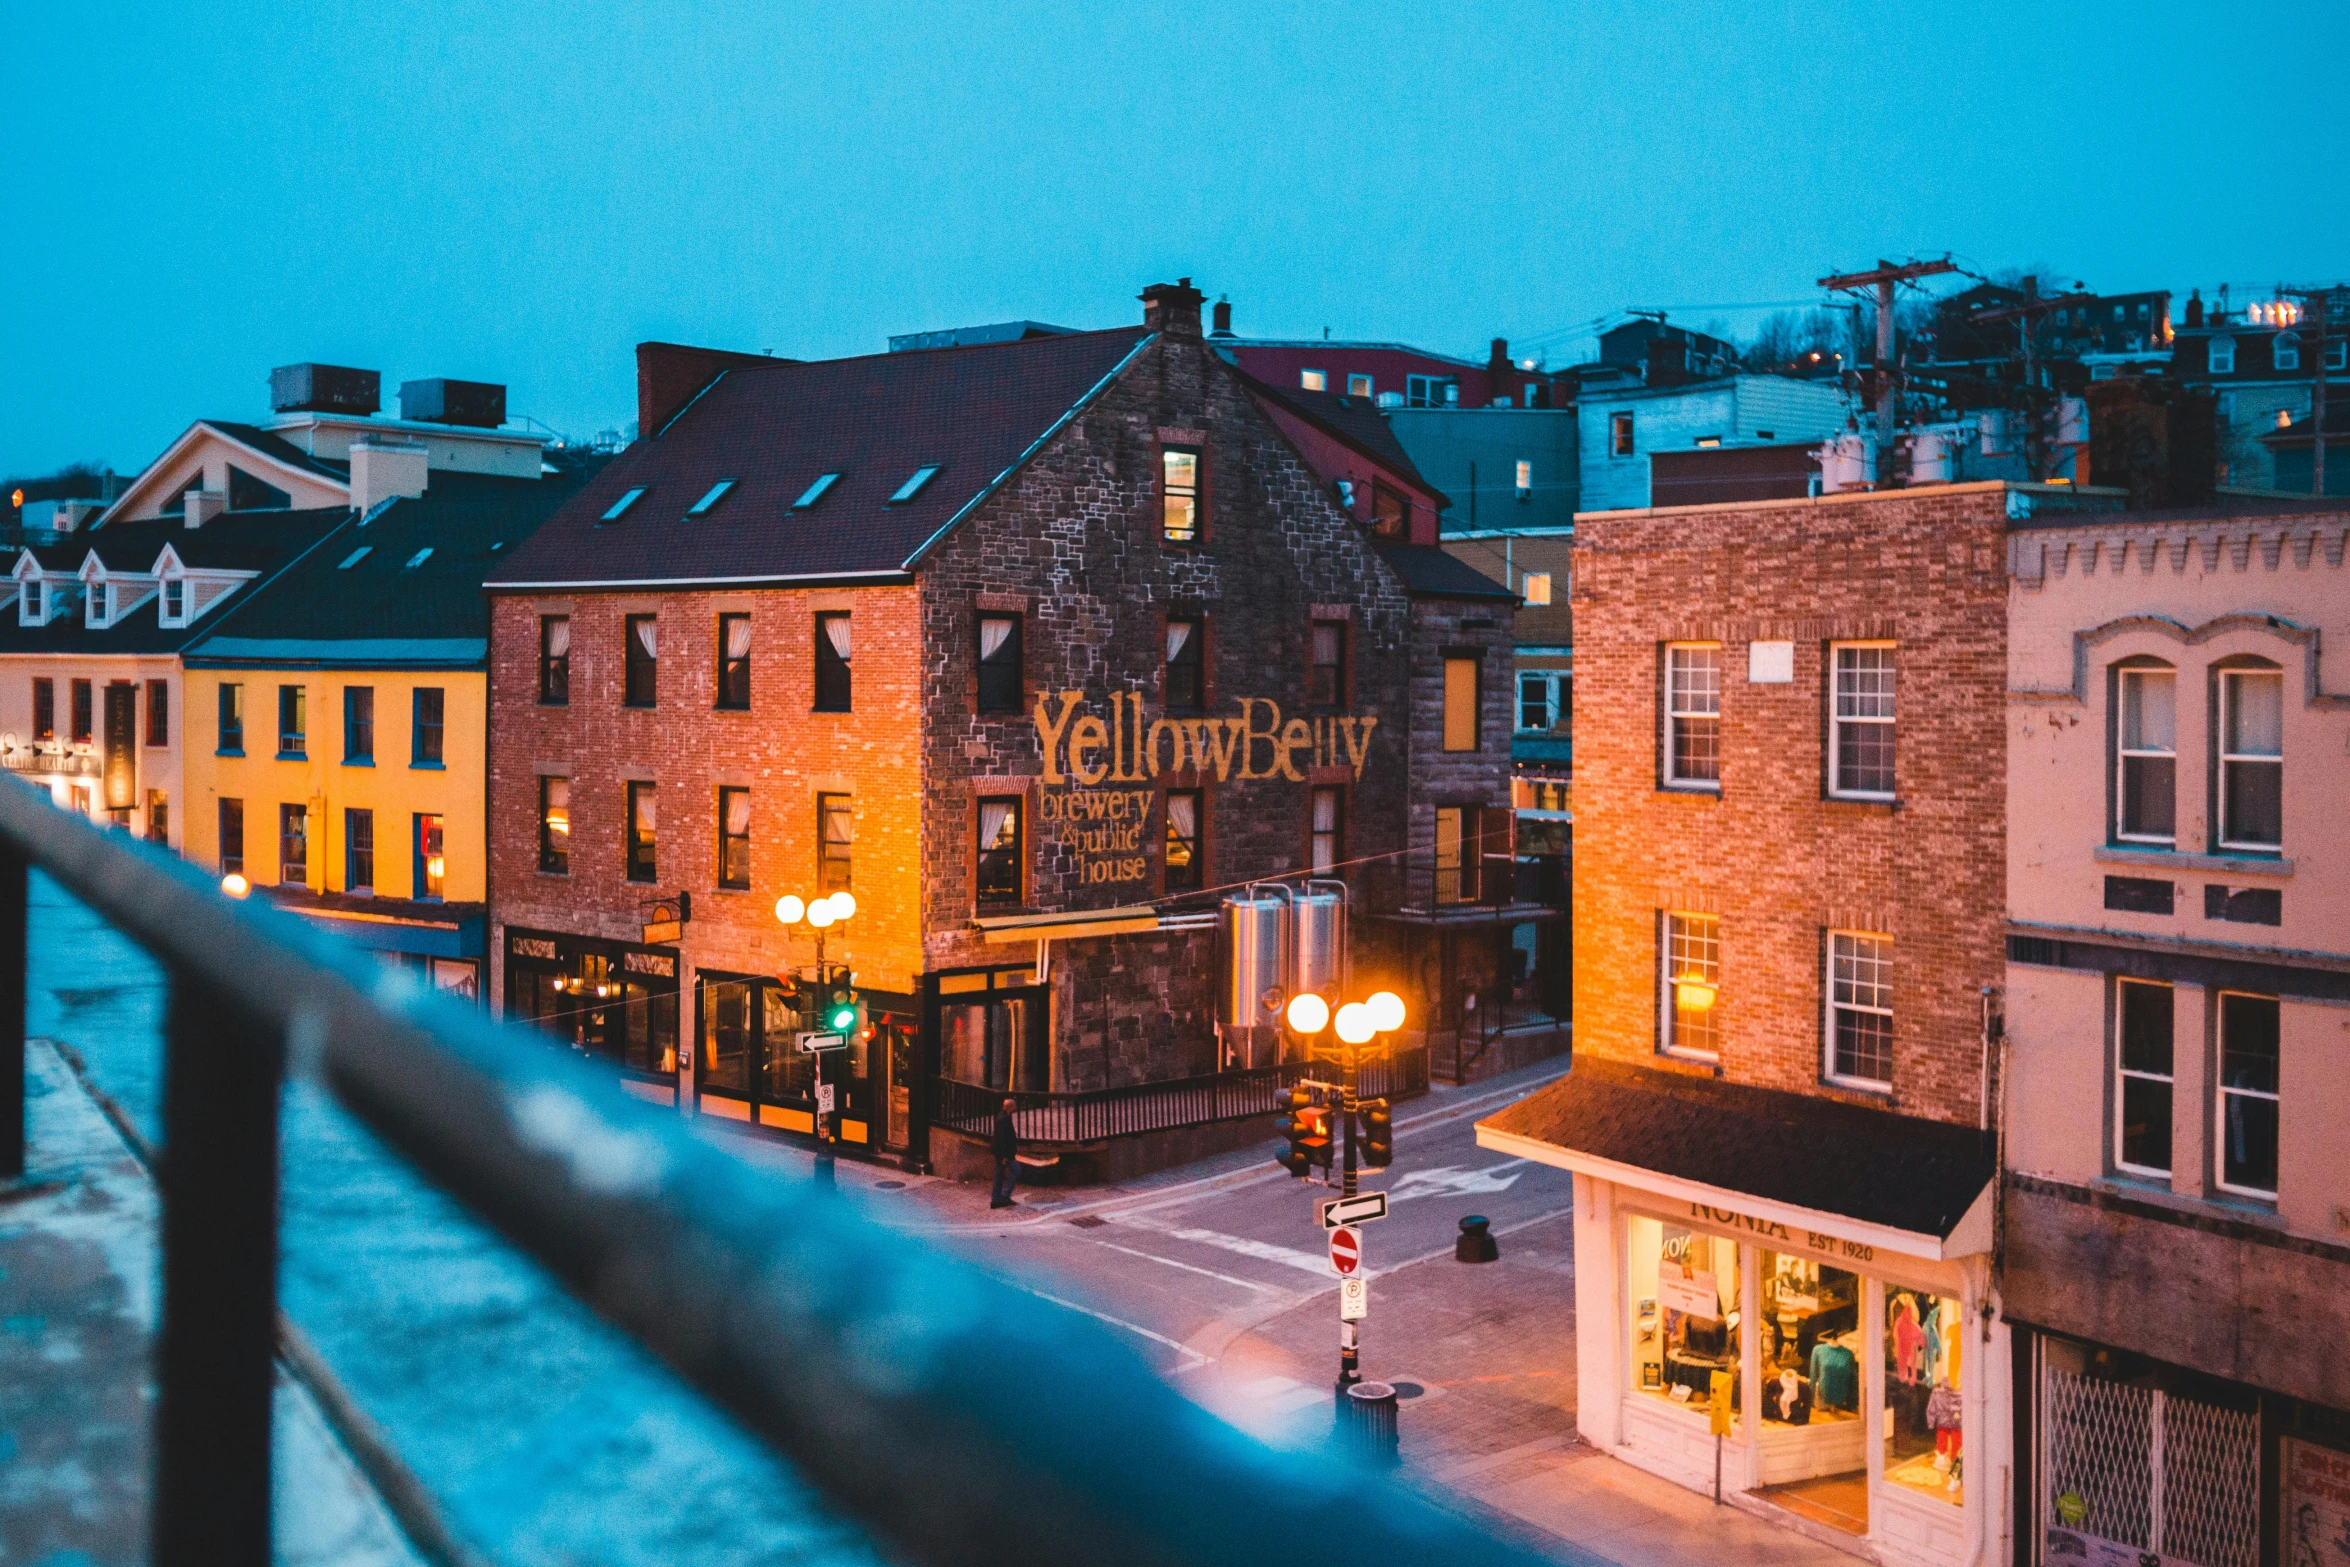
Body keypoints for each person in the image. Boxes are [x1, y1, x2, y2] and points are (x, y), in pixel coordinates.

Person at [990, 1096, 1019, 1208]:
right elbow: (1002, 1139)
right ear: (1010, 1107)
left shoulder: (1004, 1116)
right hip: (1004, 1154)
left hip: (1003, 1153)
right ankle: (1002, 1197)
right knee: (1014, 1171)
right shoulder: (1004, 1119)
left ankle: (997, 1199)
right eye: (1014, 1105)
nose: (1016, 1107)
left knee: (1000, 1174)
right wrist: (1005, 1156)